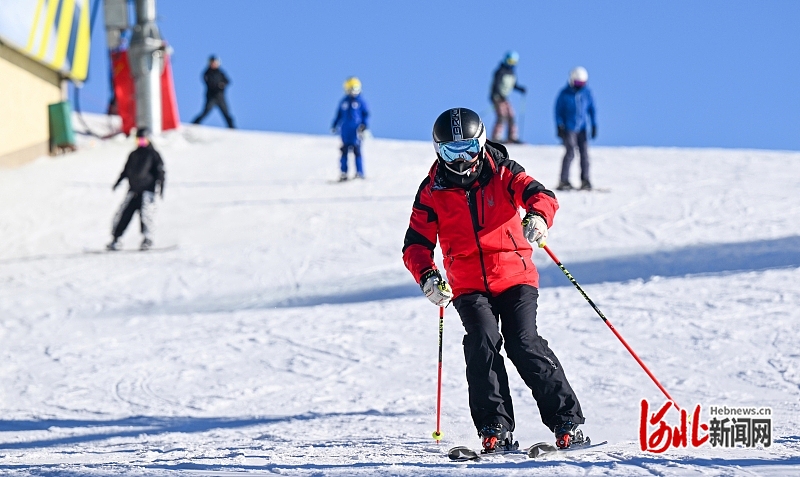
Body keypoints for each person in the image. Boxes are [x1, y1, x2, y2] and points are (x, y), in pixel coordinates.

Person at [402, 108, 585, 452]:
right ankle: (494, 428)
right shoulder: (432, 191)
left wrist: (538, 217)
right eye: (450, 152)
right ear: (438, 150)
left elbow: (540, 195)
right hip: (469, 286)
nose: (461, 160)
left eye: (468, 149)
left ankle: (567, 422)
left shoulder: (503, 172)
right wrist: (427, 275)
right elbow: (416, 244)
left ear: (482, 142)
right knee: (482, 342)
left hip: (515, 277)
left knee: (522, 342)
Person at [107, 128, 165, 251]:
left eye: (143, 140)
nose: (141, 142)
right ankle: (116, 239)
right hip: (133, 190)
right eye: (138, 140)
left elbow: (160, 171)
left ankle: (147, 239)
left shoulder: (153, 154)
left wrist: (161, 187)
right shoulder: (133, 154)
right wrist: (118, 182)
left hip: (147, 190)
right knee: (124, 214)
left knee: (146, 215)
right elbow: (125, 170)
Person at [555, 66, 597, 191]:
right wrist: (559, 126)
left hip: (582, 128)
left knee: (584, 154)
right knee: (570, 152)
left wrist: (594, 125)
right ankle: (564, 180)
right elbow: (558, 111)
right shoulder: (564, 94)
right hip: (569, 128)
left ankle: (585, 180)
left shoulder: (587, 93)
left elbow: (592, 109)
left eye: (582, 83)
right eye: (578, 82)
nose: (580, 85)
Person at [331, 76, 369, 181]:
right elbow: (338, 115)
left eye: (355, 88)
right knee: (344, 151)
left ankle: (359, 172)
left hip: (356, 130)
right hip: (345, 131)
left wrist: (364, 126)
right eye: (351, 88)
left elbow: (365, 114)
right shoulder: (344, 102)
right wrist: (334, 125)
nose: (353, 91)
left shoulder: (360, 101)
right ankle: (343, 173)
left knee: (357, 151)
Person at [489, 51, 526, 143]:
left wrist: (520, 89)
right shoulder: (500, 71)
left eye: (514, 62)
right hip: (497, 97)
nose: (512, 64)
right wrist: (498, 95)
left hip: (505, 98)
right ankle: (496, 136)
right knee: (501, 116)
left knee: (511, 115)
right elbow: (496, 85)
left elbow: (513, 85)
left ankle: (512, 136)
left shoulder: (512, 73)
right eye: (510, 61)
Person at [191, 55, 235, 128]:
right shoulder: (207, 73)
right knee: (205, 112)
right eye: (212, 63)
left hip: (220, 97)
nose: (213, 64)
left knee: (226, 114)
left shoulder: (220, 72)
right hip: (211, 97)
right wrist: (218, 86)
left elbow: (227, 81)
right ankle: (193, 124)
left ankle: (233, 128)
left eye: (215, 62)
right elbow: (209, 83)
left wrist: (222, 85)